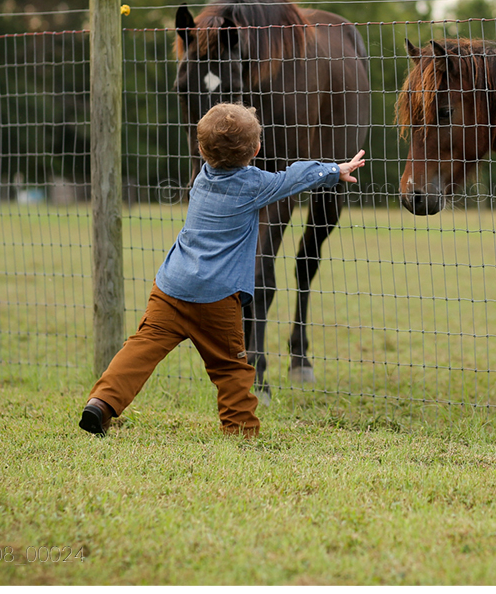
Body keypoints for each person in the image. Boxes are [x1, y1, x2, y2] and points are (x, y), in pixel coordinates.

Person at [79, 102, 365, 438]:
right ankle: (241, 429)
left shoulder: (201, 178)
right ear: (257, 150)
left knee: (140, 349)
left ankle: (101, 402)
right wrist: (334, 169)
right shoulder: (254, 185)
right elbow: (294, 177)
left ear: (201, 150)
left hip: (170, 289)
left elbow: (222, 147)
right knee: (230, 368)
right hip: (217, 300)